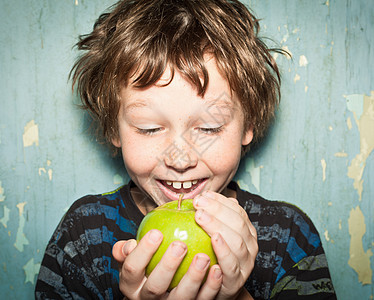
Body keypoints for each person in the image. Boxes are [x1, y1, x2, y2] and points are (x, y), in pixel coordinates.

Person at [35, 0, 337, 299]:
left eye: (209, 128)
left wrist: (235, 297)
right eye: (149, 127)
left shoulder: (288, 236)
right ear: (115, 128)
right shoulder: (83, 234)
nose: (180, 160)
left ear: (248, 125)